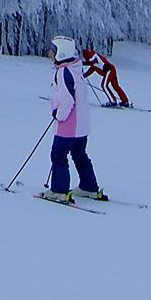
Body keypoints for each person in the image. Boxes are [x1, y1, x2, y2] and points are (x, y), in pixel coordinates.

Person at [43, 37, 107, 205]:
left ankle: (59, 190)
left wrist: (59, 115)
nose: (50, 52)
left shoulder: (64, 72)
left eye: (53, 50)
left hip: (69, 125)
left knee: (58, 154)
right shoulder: (75, 68)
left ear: (61, 53)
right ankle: (89, 187)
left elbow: (67, 100)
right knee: (79, 154)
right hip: (82, 125)